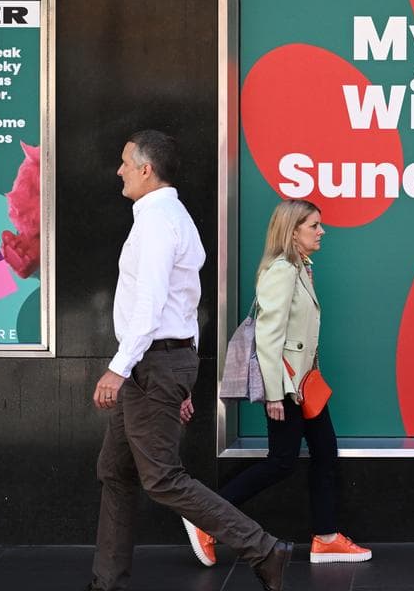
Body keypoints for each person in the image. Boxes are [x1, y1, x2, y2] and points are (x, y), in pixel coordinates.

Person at [86, 130, 292, 591]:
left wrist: (119, 369)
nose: (118, 170)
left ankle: (263, 548)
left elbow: (152, 304)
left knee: (160, 478)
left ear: (145, 169)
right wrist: (177, 376)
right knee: (115, 471)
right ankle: (106, 581)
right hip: (159, 364)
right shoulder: (169, 216)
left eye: (124, 162)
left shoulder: (158, 222)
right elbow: (186, 304)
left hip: (149, 364)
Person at [183, 199, 371, 567]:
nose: (321, 231)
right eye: (313, 226)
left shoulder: (300, 268)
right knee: (281, 462)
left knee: (324, 452)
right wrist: (274, 394)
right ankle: (204, 518)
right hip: (285, 388)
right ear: (293, 230)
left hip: (304, 384)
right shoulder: (282, 271)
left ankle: (327, 537)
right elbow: (269, 337)